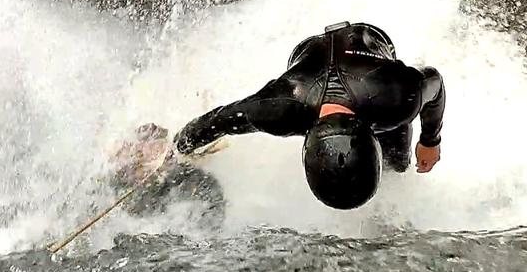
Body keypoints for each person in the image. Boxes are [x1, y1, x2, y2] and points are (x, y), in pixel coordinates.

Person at [172, 22, 445, 211]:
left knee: (398, 161)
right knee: (396, 127)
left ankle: (394, 164)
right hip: (309, 55)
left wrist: (431, 140)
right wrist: (178, 147)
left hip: (371, 44)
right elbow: (219, 120)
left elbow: (435, 82)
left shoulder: (398, 97)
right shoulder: (279, 108)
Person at [111, 123, 225, 223]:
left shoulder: (195, 179)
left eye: (160, 143)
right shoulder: (118, 182)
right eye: (150, 143)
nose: (160, 148)